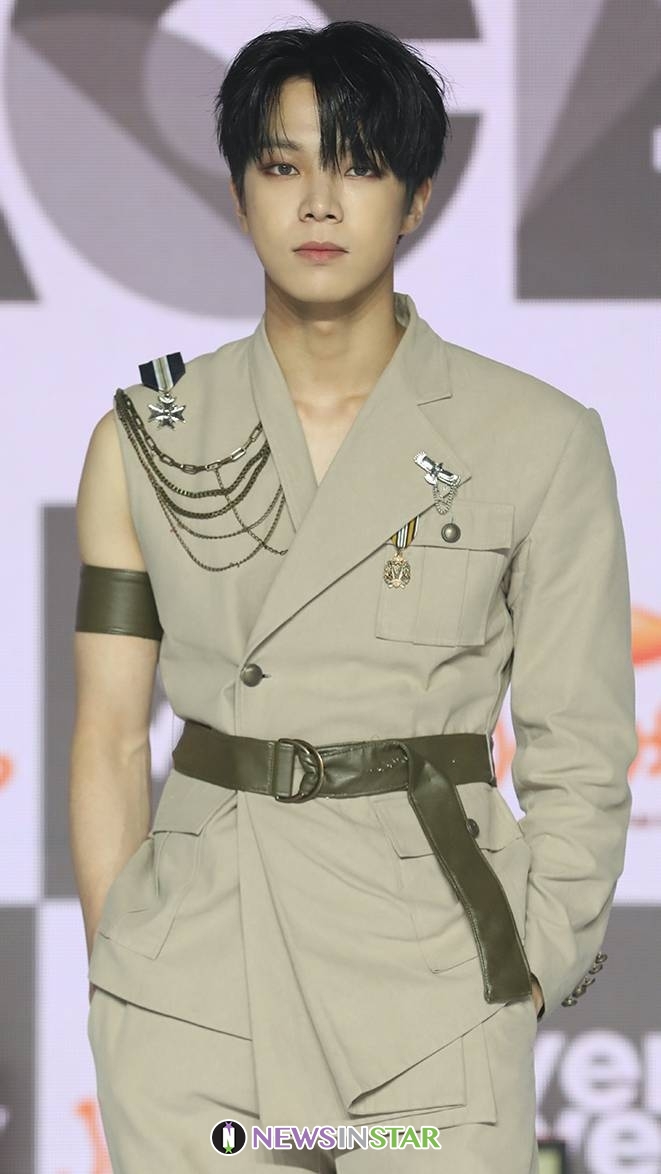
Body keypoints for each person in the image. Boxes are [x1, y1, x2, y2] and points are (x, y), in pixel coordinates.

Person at [69, 19, 637, 1174]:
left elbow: (581, 740)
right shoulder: (144, 440)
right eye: (283, 165)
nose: (319, 203)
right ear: (239, 193)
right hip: (198, 992)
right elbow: (110, 735)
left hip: (431, 984)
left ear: (415, 197)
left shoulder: (535, 440)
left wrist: (533, 961)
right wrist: (124, 963)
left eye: (360, 164)